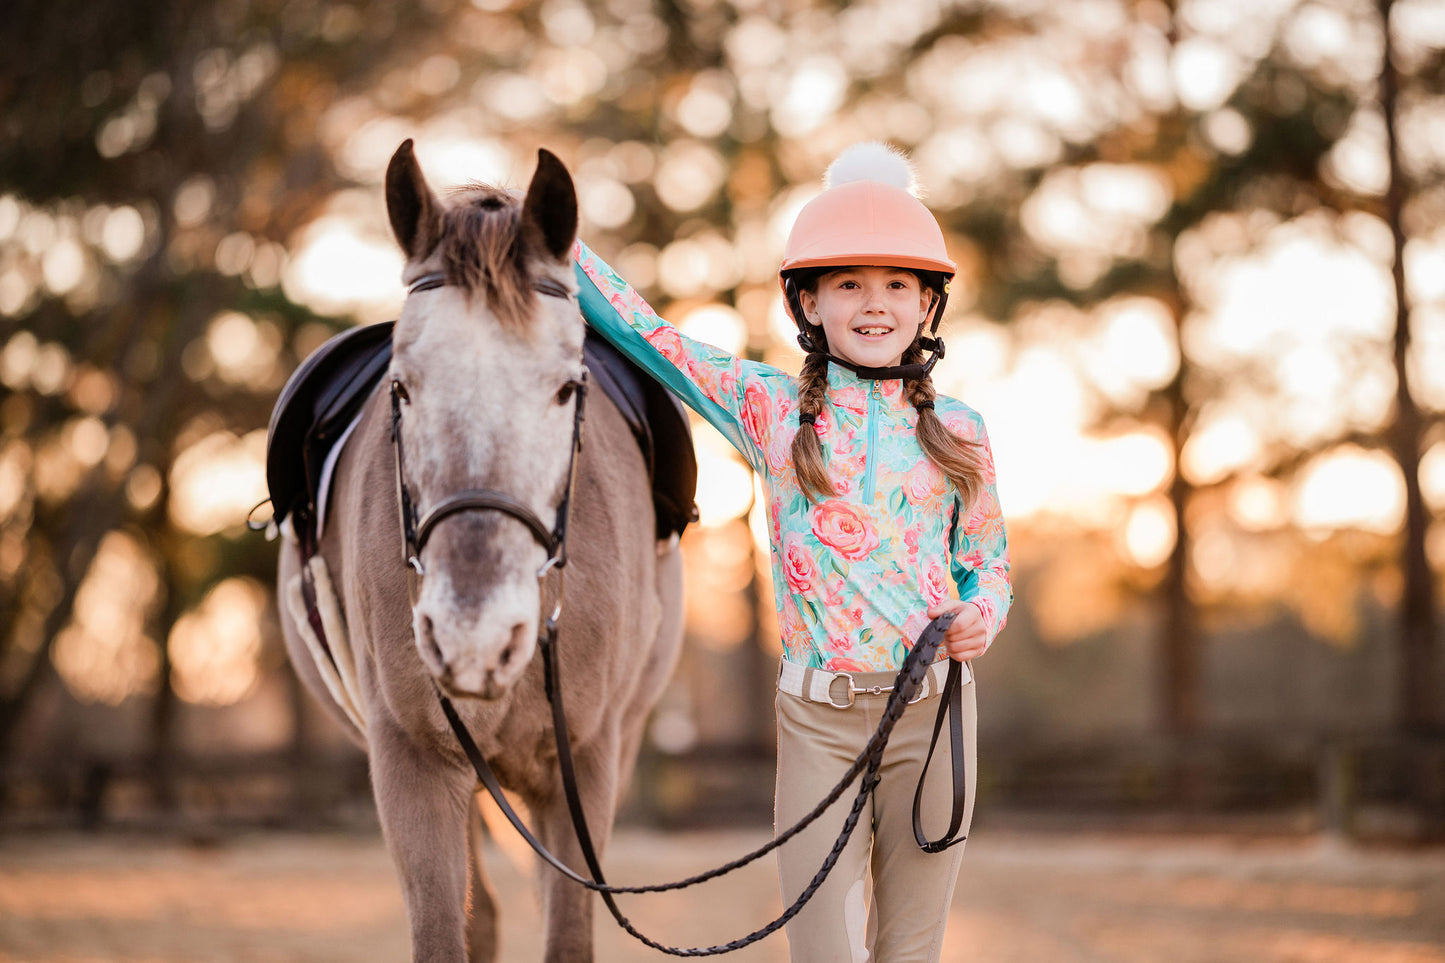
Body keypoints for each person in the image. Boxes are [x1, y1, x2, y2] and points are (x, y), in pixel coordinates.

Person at [573, 142, 1011, 963]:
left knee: (910, 949)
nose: (873, 304)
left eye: (896, 285)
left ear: (926, 304)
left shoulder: (962, 430)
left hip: (934, 714)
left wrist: (982, 613)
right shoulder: (768, 409)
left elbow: (988, 563)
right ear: (807, 300)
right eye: (847, 282)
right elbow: (649, 336)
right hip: (818, 721)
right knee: (824, 955)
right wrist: (552, 239)